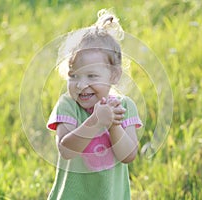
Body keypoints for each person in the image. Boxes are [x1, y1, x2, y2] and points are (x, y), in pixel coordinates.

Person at [46, 9, 142, 200]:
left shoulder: (124, 107)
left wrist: (113, 124)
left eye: (92, 76)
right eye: (74, 76)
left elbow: (128, 156)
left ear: (113, 76)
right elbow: (66, 150)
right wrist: (96, 121)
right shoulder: (68, 105)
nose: (81, 85)